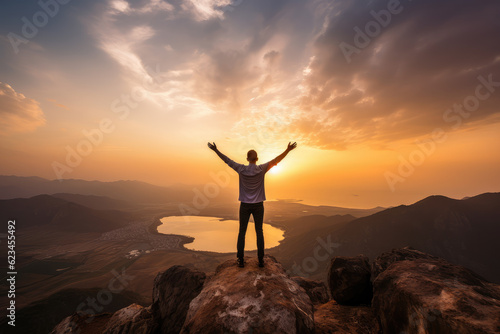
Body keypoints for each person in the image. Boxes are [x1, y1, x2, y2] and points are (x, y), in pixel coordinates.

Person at [207, 141, 297, 268]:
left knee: (242, 232)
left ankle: (240, 260)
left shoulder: (241, 169)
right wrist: (287, 150)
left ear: (247, 159)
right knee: (259, 231)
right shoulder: (261, 169)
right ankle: (260, 261)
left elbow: (227, 160)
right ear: (257, 159)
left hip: (244, 205)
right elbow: (277, 160)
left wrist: (215, 150)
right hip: (258, 205)